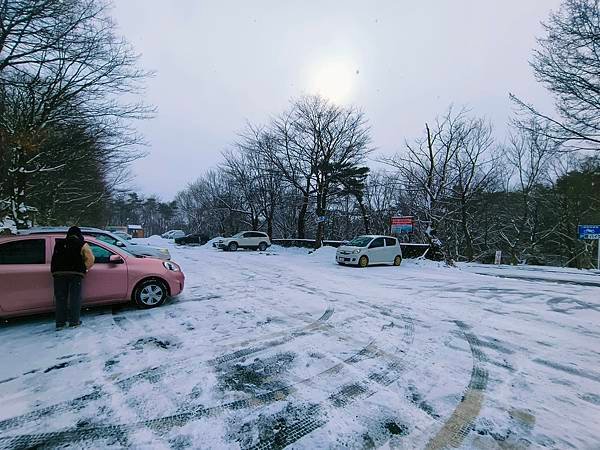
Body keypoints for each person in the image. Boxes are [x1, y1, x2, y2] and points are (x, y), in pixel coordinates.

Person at [51, 226, 95, 329]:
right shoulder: (82, 244)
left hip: (59, 274)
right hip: (75, 274)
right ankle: (74, 322)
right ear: (79, 234)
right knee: (75, 298)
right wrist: (84, 269)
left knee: (61, 299)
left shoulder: (59, 244)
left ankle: (60, 323)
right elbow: (90, 259)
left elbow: (54, 258)